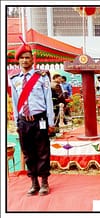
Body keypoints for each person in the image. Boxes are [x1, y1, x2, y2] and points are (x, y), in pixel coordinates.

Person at [9, 39, 55, 196]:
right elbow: (15, 102)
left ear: (32, 59)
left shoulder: (41, 76)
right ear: (18, 60)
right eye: (22, 58)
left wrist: (50, 121)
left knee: (43, 150)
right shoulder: (14, 79)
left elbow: (48, 99)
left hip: (40, 119)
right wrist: (16, 121)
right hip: (23, 121)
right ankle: (33, 182)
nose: (24, 60)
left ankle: (44, 182)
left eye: (27, 57)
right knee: (28, 151)